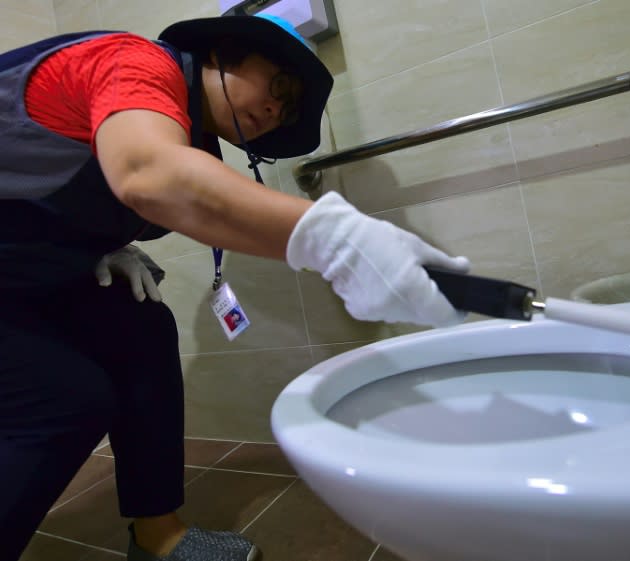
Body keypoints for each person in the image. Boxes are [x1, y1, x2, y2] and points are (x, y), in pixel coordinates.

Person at [0, 11, 470, 561]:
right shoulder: (135, 62)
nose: (275, 109)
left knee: (142, 328)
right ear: (225, 54)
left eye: (287, 108)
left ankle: (157, 536)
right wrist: (338, 241)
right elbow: (147, 173)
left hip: (22, 275)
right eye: (277, 87)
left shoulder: (188, 137)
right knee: (61, 400)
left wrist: (109, 245)